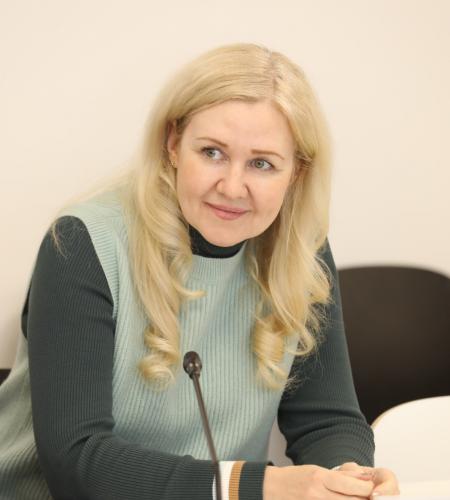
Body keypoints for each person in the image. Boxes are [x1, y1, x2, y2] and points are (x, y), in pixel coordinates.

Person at [0, 43, 399, 499]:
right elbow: (77, 463)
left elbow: (327, 419)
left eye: (262, 164)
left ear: (296, 173)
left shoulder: (301, 250)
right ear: (173, 144)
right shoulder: (82, 244)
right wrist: (259, 486)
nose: (232, 186)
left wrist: (347, 478)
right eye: (212, 152)